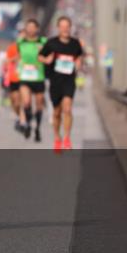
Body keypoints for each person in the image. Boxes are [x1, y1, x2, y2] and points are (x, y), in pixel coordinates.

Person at [41, 16, 85, 152]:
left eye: (67, 26)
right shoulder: (51, 43)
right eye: (62, 26)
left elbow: (79, 56)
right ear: (58, 28)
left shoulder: (75, 43)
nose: (65, 29)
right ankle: (57, 137)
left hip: (69, 80)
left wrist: (78, 62)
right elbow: (40, 56)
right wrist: (46, 59)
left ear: (70, 28)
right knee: (56, 113)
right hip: (55, 81)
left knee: (67, 109)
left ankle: (67, 138)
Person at [13, 19, 48, 142]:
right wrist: (16, 64)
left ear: (37, 29)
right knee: (26, 102)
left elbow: (49, 57)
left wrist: (44, 58)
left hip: (38, 77)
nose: (31, 29)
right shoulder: (20, 42)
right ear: (26, 29)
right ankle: (26, 124)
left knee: (39, 106)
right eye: (29, 27)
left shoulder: (43, 42)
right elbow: (18, 56)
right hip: (25, 77)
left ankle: (37, 128)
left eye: (33, 27)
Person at [5, 29, 25, 133]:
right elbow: (7, 61)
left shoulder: (29, 48)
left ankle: (22, 121)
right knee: (15, 102)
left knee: (22, 101)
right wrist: (15, 58)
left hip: (24, 78)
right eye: (20, 36)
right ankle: (18, 116)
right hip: (13, 78)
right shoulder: (12, 48)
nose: (22, 38)